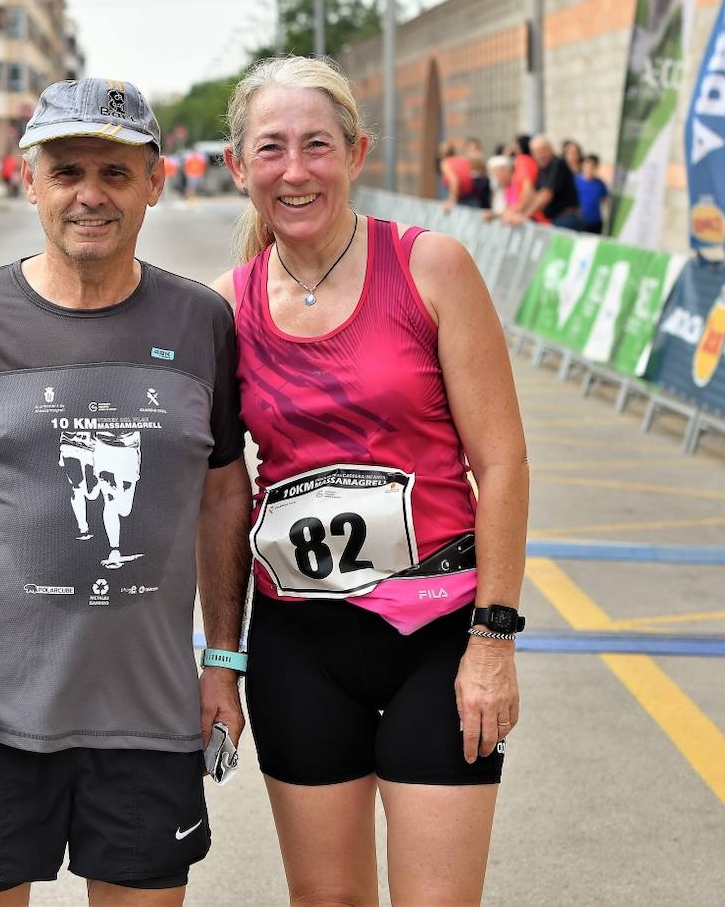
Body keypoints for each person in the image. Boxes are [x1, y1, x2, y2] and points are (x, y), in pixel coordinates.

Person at [0, 76, 251, 905]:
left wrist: (224, 662)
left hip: (150, 718)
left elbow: (226, 493)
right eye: (68, 171)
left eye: (116, 173)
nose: (91, 195)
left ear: (156, 184)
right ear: (29, 181)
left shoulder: (200, 324)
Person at [211, 56, 527, 905]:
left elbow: (500, 462)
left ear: (356, 153)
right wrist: (220, 658)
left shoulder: (432, 268)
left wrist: (493, 641)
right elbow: (217, 493)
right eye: (271, 149)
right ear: (239, 168)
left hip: (437, 635)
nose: (296, 170)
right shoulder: (224, 307)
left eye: (318, 145)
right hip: (299, 643)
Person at [510, 135, 583, 229]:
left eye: (543, 150)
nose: (540, 155)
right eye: (536, 152)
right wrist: (516, 212)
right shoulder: (542, 168)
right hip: (557, 218)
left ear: (551, 149)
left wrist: (524, 216)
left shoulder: (557, 164)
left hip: (567, 217)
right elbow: (534, 195)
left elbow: (546, 195)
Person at [576, 153, 610, 235]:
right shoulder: (575, 181)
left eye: (593, 165)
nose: (589, 167)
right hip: (578, 221)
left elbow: (606, 201)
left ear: (596, 167)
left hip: (595, 222)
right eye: (587, 164)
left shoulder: (600, 183)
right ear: (583, 165)